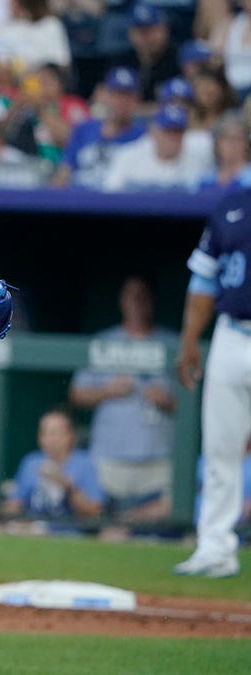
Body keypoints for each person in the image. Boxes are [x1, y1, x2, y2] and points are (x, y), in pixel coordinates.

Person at [173, 172, 251, 579]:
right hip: (232, 333)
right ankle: (215, 547)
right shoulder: (232, 204)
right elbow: (204, 277)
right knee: (221, 448)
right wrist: (189, 339)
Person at [68, 275, 178, 522]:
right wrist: (108, 390)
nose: (137, 302)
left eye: (143, 296)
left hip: (158, 459)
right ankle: (119, 524)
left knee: (173, 508)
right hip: (109, 458)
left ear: (153, 301)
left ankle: (124, 521)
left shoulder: (172, 343)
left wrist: (167, 400)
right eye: (132, 296)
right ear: (122, 301)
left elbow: (194, 403)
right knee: (93, 511)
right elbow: (77, 394)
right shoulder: (104, 342)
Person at [0, 407, 105, 524]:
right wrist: (11, 514)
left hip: (69, 533)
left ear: (70, 436)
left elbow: (94, 511)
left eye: (55, 433)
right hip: (32, 530)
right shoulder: (31, 462)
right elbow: (14, 504)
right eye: (45, 433)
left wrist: (66, 485)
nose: (50, 438)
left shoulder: (84, 463)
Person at [52, 66, 146, 188]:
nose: (120, 102)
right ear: (105, 95)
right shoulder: (84, 129)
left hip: (119, 202)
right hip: (78, 200)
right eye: (115, 94)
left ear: (136, 100)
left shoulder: (144, 137)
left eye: (126, 96)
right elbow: (64, 172)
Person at [102, 104, 213, 192]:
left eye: (178, 132)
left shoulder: (198, 163)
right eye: (168, 131)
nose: (173, 137)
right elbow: (110, 194)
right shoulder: (128, 156)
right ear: (154, 132)